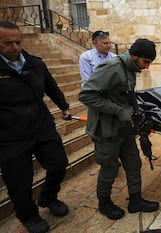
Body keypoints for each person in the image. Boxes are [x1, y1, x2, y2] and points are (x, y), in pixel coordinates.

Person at [0, 20, 71, 233]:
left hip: (42, 127)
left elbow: (52, 87)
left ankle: (48, 197)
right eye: (7, 43)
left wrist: (64, 107)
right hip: (10, 136)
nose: (15, 47)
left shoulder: (35, 64)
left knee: (59, 164)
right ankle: (28, 216)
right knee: (19, 183)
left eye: (18, 42)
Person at [78, 38, 159, 220]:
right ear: (134, 55)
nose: (147, 67)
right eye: (146, 62)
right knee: (109, 167)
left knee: (134, 163)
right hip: (106, 130)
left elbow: (123, 96)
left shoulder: (130, 68)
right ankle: (104, 203)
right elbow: (86, 95)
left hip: (123, 129)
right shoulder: (112, 67)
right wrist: (119, 111)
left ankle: (136, 200)